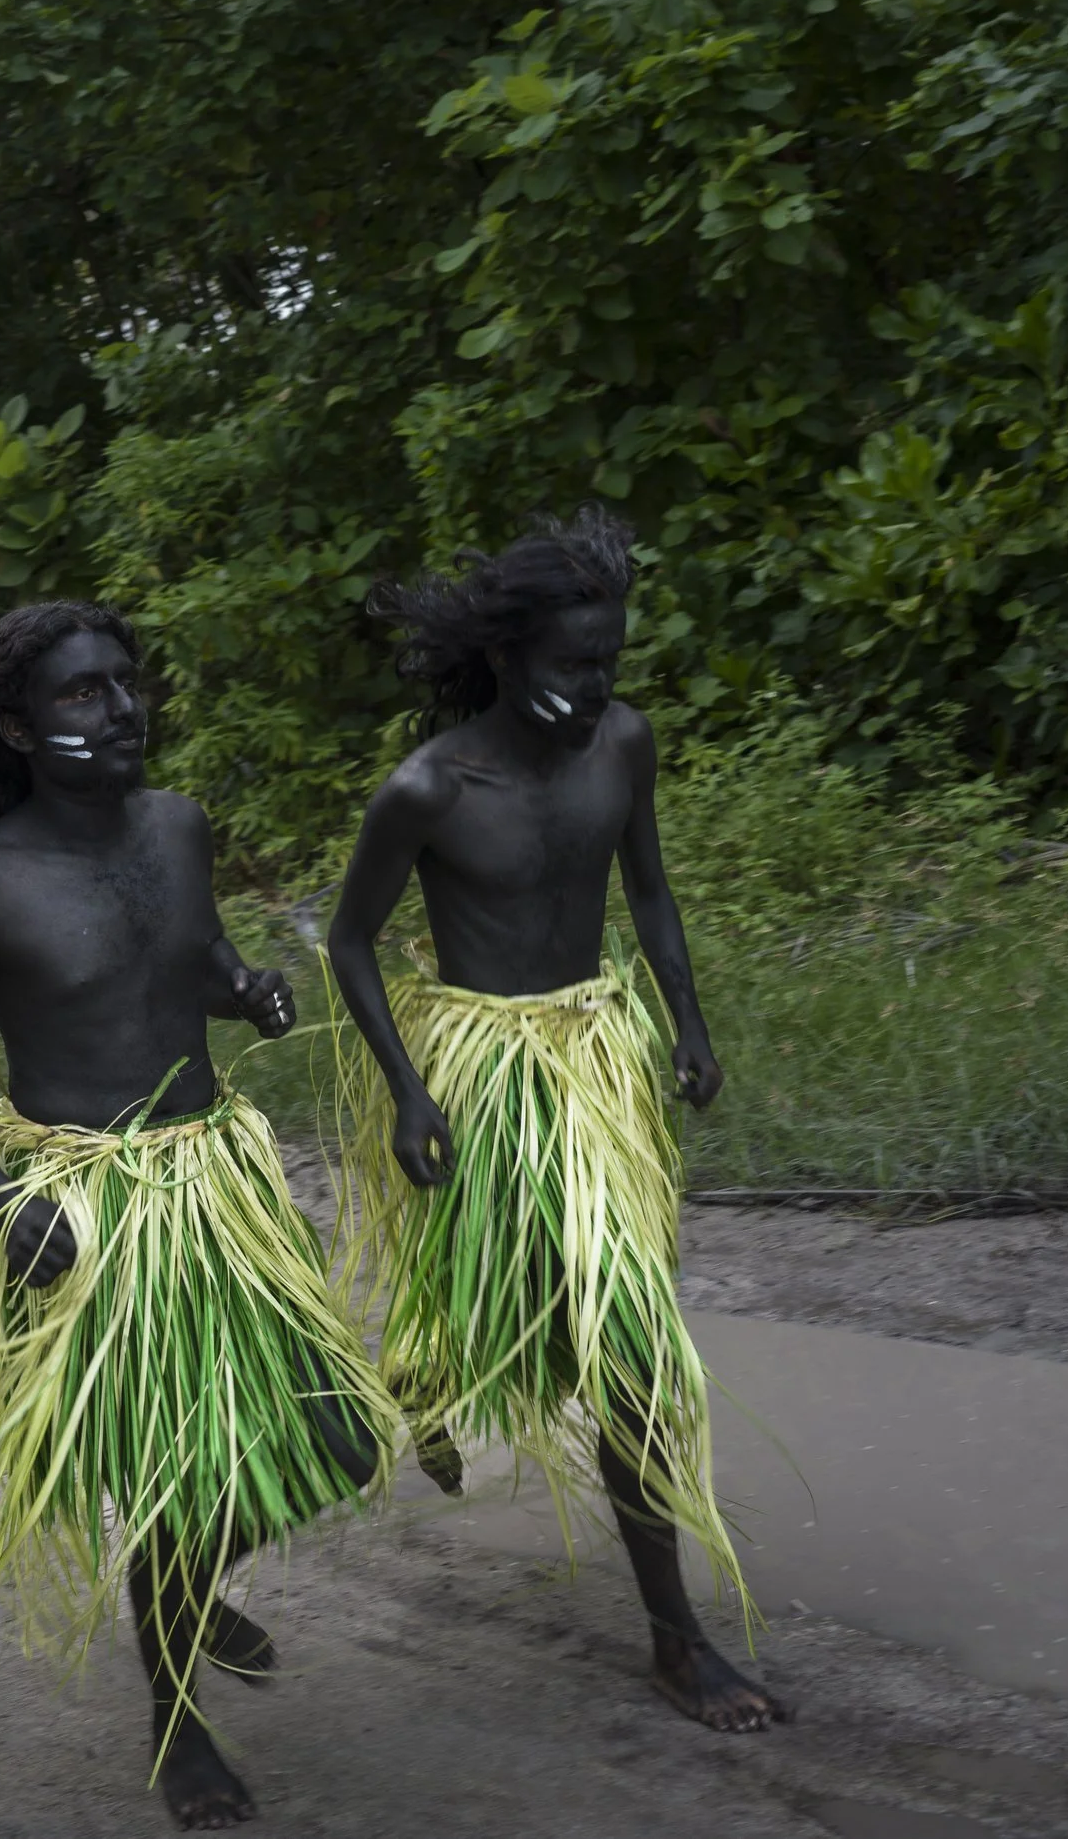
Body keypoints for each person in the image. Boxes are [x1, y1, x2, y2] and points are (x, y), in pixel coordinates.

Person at [0, 601, 398, 1829]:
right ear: (16, 725)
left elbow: (190, 955)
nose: (121, 711)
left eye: (127, 683)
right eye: (80, 694)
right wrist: (4, 1204)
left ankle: (197, 1589)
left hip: (214, 1179)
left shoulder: (175, 826)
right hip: (91, 1205)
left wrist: (244, 991)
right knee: (169, 1478)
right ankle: (177, 1726)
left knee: (340, 1438)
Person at [325, 508, 785, 1734]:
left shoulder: (622, 744)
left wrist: (686, 1023)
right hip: (481, 1074)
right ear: (509, 656)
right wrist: (409, 1087)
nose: (594, 689)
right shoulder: (428, 787)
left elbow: (649, 889)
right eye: (571, 667)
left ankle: (676, 1642)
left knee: (628, 1348)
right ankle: (429, 1369)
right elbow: (351, 942)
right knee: (511, 1301)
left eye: (609, 663)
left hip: (594, 1060)